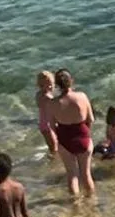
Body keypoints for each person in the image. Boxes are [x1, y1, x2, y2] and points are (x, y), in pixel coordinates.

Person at [50, 68, 95, 196]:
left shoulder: (53, 103)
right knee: (86, 175)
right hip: (82, 136)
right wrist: (86, 134)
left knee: (72, 175)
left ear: (57, 85)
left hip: (64, 139)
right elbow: (90, 119)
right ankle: (91, 202)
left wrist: (57, 142)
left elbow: (52, 127)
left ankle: (75, 206)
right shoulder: (82, 96)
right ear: (72, 81)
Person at [34, 70, 59, 156]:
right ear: (41, 85)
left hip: (43, 124)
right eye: (49, 84)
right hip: (48, 125)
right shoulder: (47, 96)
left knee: (52, 145)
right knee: (54, 147)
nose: (52, 86)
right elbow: (56, 106)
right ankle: (53, 162)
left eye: (52, 83)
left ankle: (53, 159)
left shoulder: (38, 94)